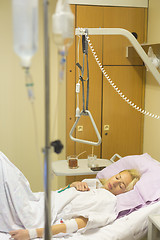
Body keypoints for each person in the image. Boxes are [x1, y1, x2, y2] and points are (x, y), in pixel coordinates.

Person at [9, 168, 140, 240]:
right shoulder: (96, 185)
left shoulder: (108, 201)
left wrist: (31, 234)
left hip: (41, 214)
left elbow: (74, 225)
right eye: (117, 177)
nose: (115, 182)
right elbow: (62, 193)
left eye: (121, 185)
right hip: (40, 199)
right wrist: (73, 185)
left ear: (124, 193)